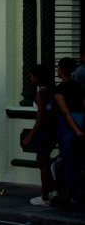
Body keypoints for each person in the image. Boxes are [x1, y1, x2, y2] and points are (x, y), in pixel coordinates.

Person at [22, 64, 57, 206]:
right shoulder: (51, 91)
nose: (30, 78)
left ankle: (44, 197)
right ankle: (51, 190)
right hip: (52, 131)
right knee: (44, 162)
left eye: (31, 76)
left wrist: (30, 134)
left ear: (37, 77)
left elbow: (40, 117)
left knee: (42, 164)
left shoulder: (40, 93)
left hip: (43, 132)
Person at [54, 57, 85, 210]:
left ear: (62, 70)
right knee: (79, 161)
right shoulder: (79, 86)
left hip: (68, 127)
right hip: (80, 120)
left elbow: (65, 112)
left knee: (68, 162)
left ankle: (71, 195)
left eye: (58, 67)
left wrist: (76, 130)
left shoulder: (60, 89)